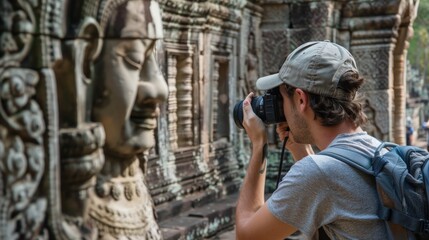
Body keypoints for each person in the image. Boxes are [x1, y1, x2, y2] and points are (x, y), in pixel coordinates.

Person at [235, 41, 392, 239]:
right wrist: (299, 148)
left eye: (282, 98)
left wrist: (259, 145)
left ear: (300, 99)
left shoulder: (318, 174)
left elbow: (247, 234)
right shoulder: (379, 151)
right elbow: (328, 189)